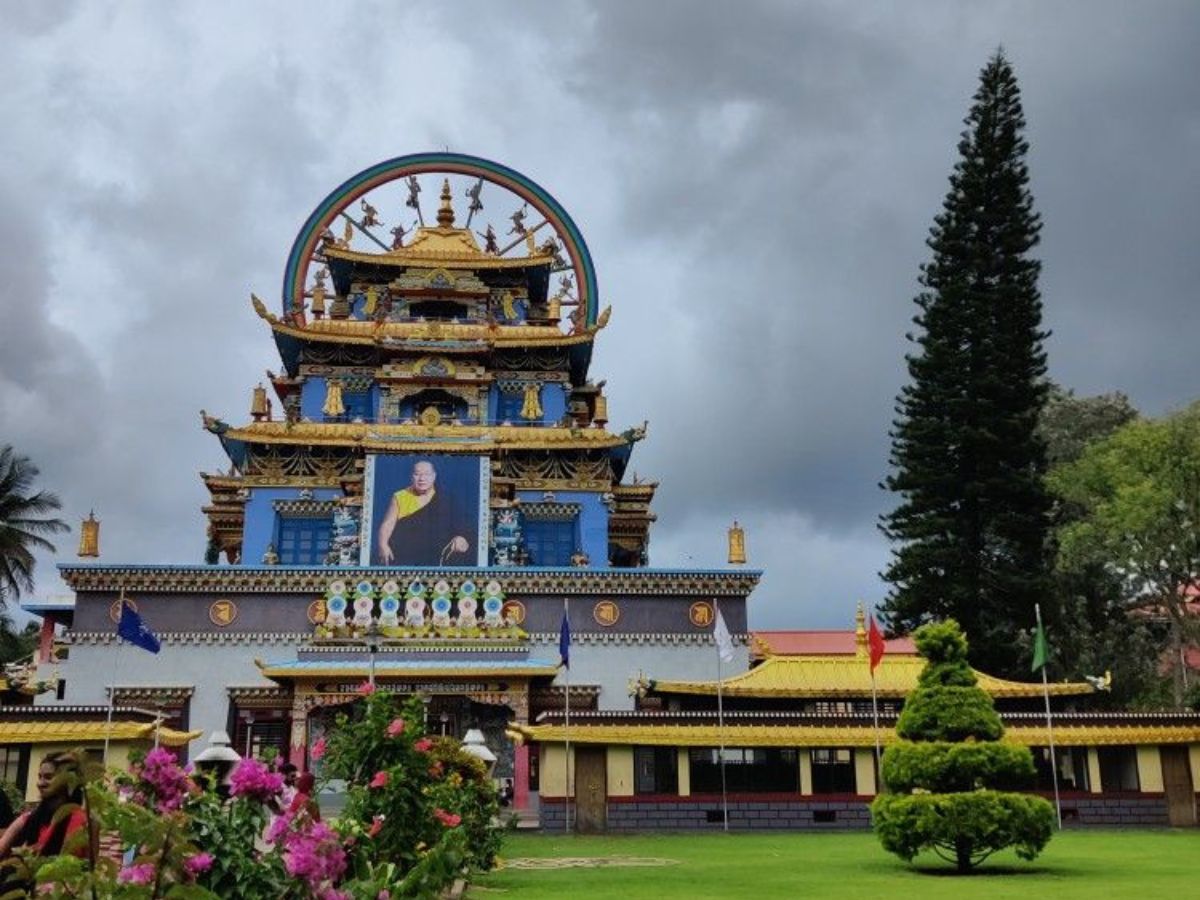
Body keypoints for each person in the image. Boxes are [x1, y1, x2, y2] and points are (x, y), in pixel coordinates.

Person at [0, 753, 89, 869]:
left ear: (68, 781)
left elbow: (81, 869)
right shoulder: (28, 818)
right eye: (40, 777)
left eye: (48, 777)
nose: (40, 783)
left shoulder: (82, 822)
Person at [375, 460, 471, 565]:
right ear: (411, 477)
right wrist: (383, 544)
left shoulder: (446, 499)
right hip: (404, 556)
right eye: (417, 474)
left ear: (434, 476)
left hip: (436, 557)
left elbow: (461, 526)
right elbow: (388, 523)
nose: (422, 479)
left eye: (426, 474)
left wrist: (461, 537)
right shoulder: (400, 496)